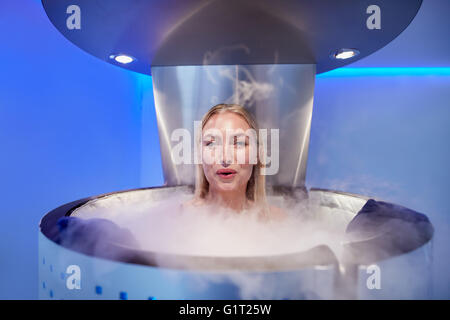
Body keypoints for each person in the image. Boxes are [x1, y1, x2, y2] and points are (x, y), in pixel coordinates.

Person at [183, 103, 286, 220]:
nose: (225, 158)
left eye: (239, 143)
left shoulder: (278, 220)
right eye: (211, 143)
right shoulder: (178, 219)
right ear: (199, 155)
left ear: (257, 154)